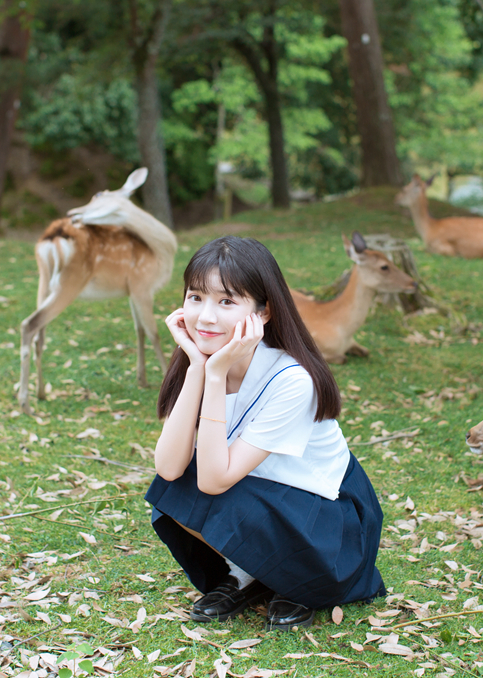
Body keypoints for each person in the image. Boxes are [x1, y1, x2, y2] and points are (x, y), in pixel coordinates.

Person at [146, 236, 385, 631]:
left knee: (206, 487)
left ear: (264, 312)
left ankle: (297, 582)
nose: (205, 317)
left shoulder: (292, 380)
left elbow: (213, 480)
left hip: (329, 525)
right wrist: (197, 368)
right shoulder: (203, 361)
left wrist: (216, 374)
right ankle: (248, 575)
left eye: (226, 301)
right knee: (172, 492)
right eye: (195, 297)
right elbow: (169, 469)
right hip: (268, 501)